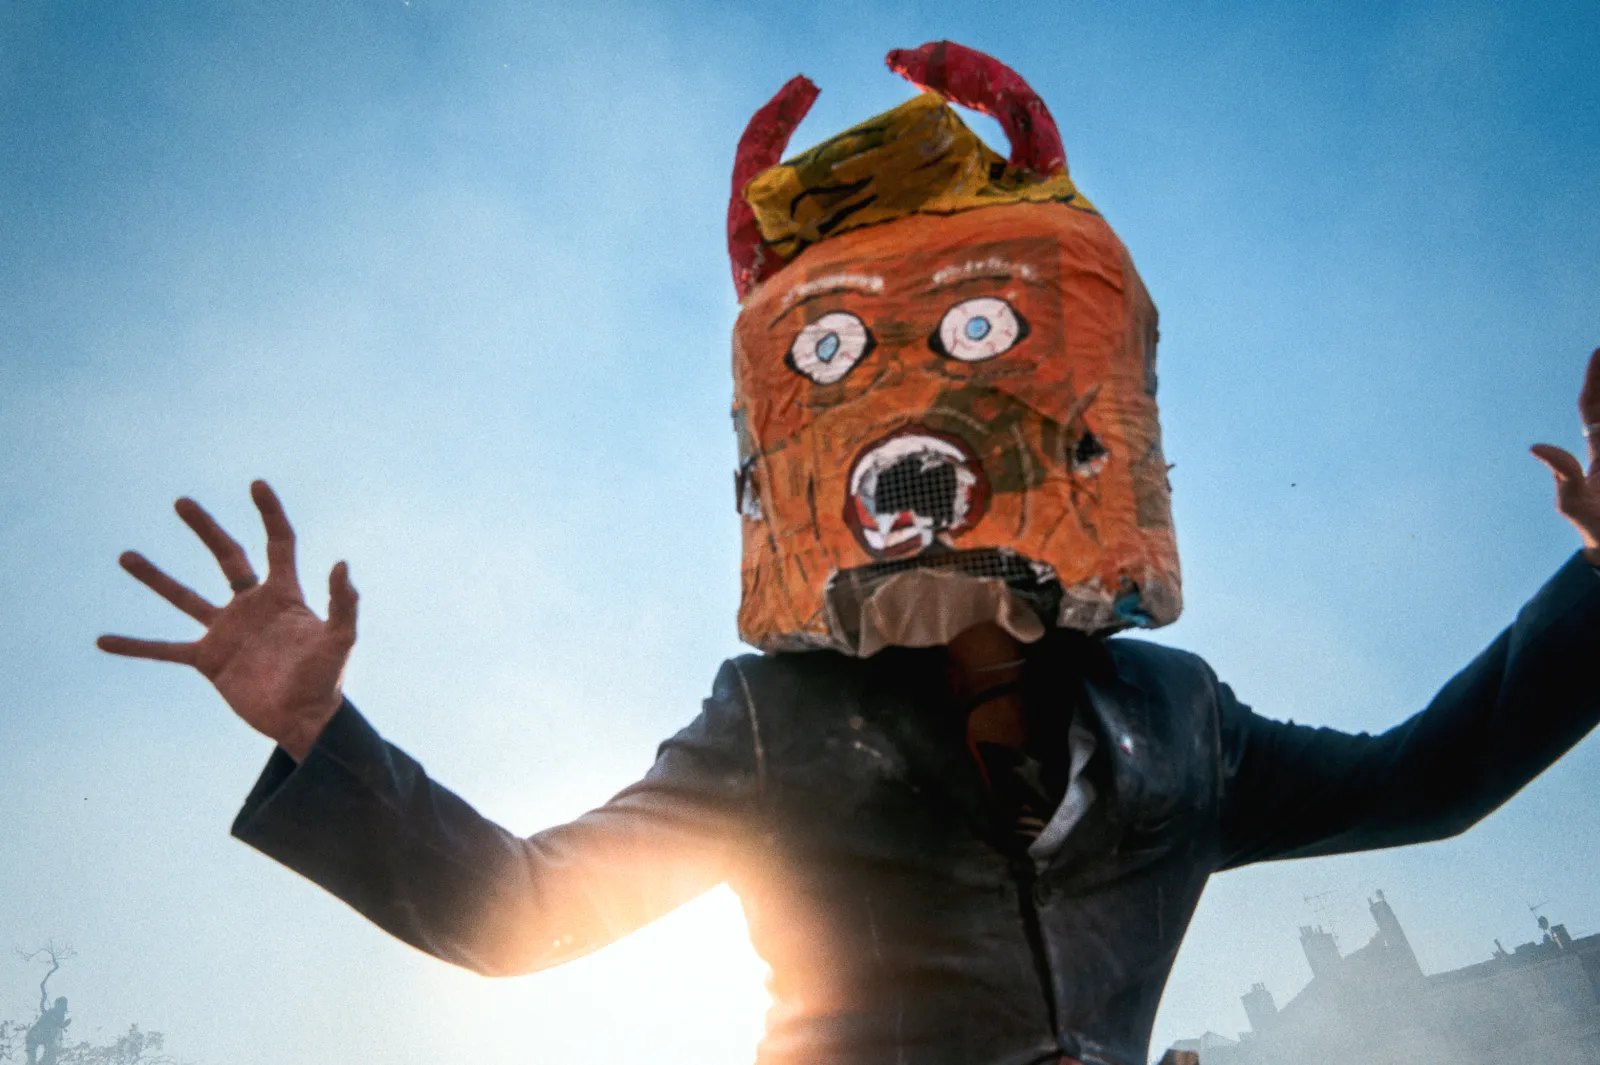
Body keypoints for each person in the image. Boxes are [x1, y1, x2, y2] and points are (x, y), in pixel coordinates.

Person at [98, 41, 1600, 1065]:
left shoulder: (1180, 721)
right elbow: (521, 914)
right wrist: (320, 735)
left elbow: (1433, 779)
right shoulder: (778, 727)